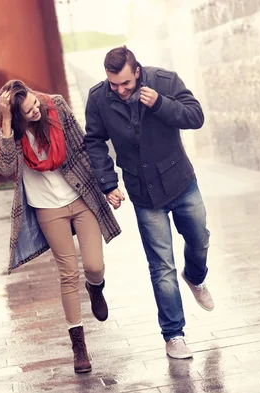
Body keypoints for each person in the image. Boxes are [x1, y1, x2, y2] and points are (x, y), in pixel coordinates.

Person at [84, 46, 214, 359]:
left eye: (125, 83)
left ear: (137, 71)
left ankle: (195, 277)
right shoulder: (99, 98)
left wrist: (160, 104)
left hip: (181, 181)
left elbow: (195, 117)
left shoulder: (164, 81)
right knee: (161, 267)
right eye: (114, 84)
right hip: (143, 192)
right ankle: (174, 334)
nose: (120, 89)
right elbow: (94, 141)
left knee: (199, 240)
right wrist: (108, 184)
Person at [0, 80, 121, 373]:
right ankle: (79, 346)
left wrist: (107, 187)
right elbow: (6, 167)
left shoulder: (55, 105)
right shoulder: (7, 128)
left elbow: (84, 148)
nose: (36, 110)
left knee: (93, 265)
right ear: (15, 114)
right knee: (67, 274)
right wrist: (9, 124)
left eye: (35, 104)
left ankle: (96, 286)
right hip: (47, 207)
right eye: (28, 110)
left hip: (80, 195)